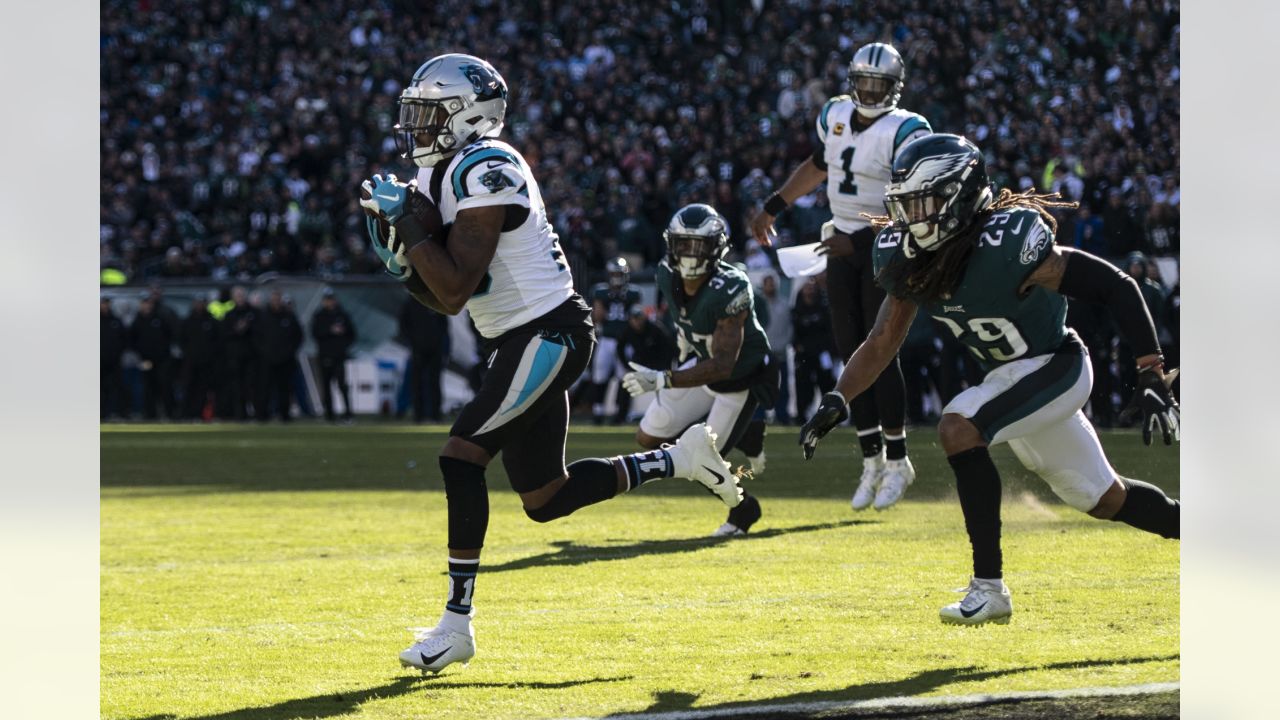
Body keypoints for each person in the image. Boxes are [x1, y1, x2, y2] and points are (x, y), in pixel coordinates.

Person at [359, 53, 740, 674]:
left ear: (467, 115)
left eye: (429, 112)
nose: (416, 125)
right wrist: (404, 263)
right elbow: (441, 299)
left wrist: (413, 232)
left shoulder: (490, 165)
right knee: (545, 497)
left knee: (461, 457)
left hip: (548, 333)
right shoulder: (439, 177)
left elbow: (455, 288)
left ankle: (457, 624)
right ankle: (679, 457)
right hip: (516, 339)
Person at [800, 134, 1180, 626]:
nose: (912, 217)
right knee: (1105, 499)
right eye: (906, 205)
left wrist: (1150, 371)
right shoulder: (905, 252)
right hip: (1012, 379)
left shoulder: (1009, 242)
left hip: (1057, 366)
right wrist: (839, 396)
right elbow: (881, 342)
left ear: (960, 196)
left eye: (925, 202)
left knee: (958, 426)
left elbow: (1116, 285)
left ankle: (989, 587)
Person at [749, 42, 931, 512]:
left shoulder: (907, 129)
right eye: (863, 83)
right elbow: (819, 164)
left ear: (895, 87)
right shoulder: (833, 114)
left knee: (881, 351)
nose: (869, 92)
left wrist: (864, 241)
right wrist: (775, 204)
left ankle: (897, 458)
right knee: (849, 352)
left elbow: (916, 200)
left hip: (887, 247)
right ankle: (870, 458)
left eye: (879, 84)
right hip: (841, 243)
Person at [623, 203, 778, 536]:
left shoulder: (732, 286)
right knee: (649, 435)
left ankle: (743, 509)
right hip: (701, 362)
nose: (690, 255)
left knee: (704, 462)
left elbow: (723, 365)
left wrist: (665, 378)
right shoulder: (666, 273)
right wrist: (684, 341)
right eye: (683, 244)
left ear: (716, 248)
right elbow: (686, 318)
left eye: (699, 246)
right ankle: (743, 435)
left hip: (740, 377)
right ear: (671, 245)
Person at [589, 257, 641, 424]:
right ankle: (598, 412)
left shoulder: (633, 293)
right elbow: (597, 317)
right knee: (599, 375)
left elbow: (637, 320)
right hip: (606, 340)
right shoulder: (600, 292)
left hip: (625, 342)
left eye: (619, 273)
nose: (616, 277)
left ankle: (620, 413)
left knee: (623, 378)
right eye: (614, 273)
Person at [615, 306, 673, 423]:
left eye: (639, 318)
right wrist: (626, 365)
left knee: (665, 387)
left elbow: (668, 348)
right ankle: (620, 416)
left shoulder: (655, 328)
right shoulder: (628, 331)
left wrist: (664, 367)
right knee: (626, 384)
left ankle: (667, 415)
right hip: (639, 364)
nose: (637, 322)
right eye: (634, 319)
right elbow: (620, 348)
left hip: (656, 364)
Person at [399, 295, 450, 422]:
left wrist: (441, 346)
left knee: (435, 382)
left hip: (435, 350)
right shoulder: (410, 303)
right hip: (417, 350)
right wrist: (412, 343)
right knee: (417, 383)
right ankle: (418, 415)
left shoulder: (436, 302)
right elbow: (403, 325)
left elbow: (444, 327)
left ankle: (436, 415)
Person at [790, 278, 835, 422]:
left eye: (812, 288)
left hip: (822, 354)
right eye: (807, 288)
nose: (810, 291)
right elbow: (793, 333)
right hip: (803, 355)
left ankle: (830, 414)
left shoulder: (824, 309)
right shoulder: (796, 311)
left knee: (827, 384)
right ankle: (801, 415)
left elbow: (830, 331)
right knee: (803, 386)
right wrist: (797, 346)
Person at [254, 289, 303, 422]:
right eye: (274, 299)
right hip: (267, 359)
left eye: (278, 299)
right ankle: (262, 415)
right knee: (264, 388)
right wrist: (264, 352)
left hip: (285, 360)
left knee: (284, 389)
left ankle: (284, 415)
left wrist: (288, 352)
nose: (276, 302)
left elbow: (298, 336)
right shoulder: (263, 316)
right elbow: (256, 337)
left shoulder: (289, 316)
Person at [310, 287, 357, 423]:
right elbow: (315, 333)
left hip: (339, 356)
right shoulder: (319, 316)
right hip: (324, 355)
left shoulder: (342, 315)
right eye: (327, 300)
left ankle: (348, 413)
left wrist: (343, 346)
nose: (329, 302)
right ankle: (329, 415)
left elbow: (352, 334)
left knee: (342, 385)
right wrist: (330, 331)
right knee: (326, 386)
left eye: (331, 299)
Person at [129, 292, 176, 420]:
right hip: (145, 360)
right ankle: (150, 414)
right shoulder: (137, 321)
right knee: (148, 388)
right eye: (145, 303)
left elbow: (170, 335)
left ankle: (169, 414)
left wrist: (165, 353)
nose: (147, 306)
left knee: (165, 386)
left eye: (149, 303)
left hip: (162, 359)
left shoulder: (160, 318)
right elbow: (131, 340)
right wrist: (140, 355)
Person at [179, 295, 221, 421]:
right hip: (190, 362)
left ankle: (199, 414)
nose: (199, 305)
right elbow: (181, 340)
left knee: (203, 389)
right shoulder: (187, 321)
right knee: (188, 387)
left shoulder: (212, 321)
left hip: (207, 362)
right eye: (197, 302)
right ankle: (186, 413)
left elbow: (217, 341)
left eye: (201, 302)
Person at [101, 294, 128, 420]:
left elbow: (124, 339)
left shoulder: (115, 320)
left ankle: (117, 413)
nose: (105, 306)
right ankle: (101, 413)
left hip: (114, 361)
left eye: (107, 303)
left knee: (116, 388)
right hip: (98, 362)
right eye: (103, 303)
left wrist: (118, 353)